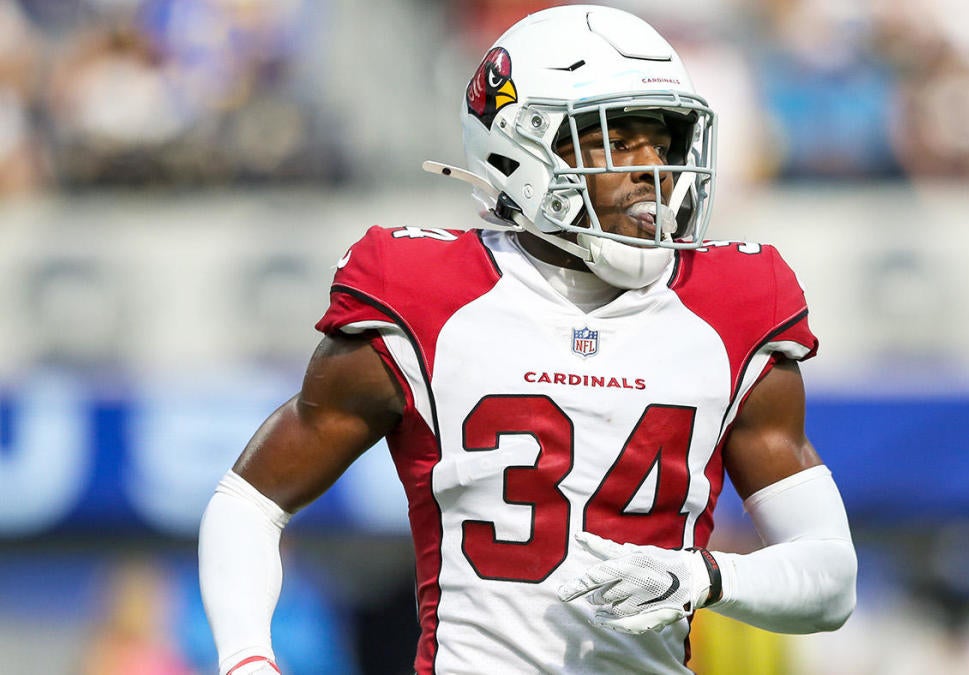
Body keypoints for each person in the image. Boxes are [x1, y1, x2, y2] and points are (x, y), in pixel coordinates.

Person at [198, 5, 857, 674]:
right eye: (613, 139)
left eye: (660, 141)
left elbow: (832, 576)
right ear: (521, 148)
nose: (649, 168)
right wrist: (247, 658)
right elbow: (250, 501)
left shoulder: (732, 302)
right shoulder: (426, 293)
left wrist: (706, 577)